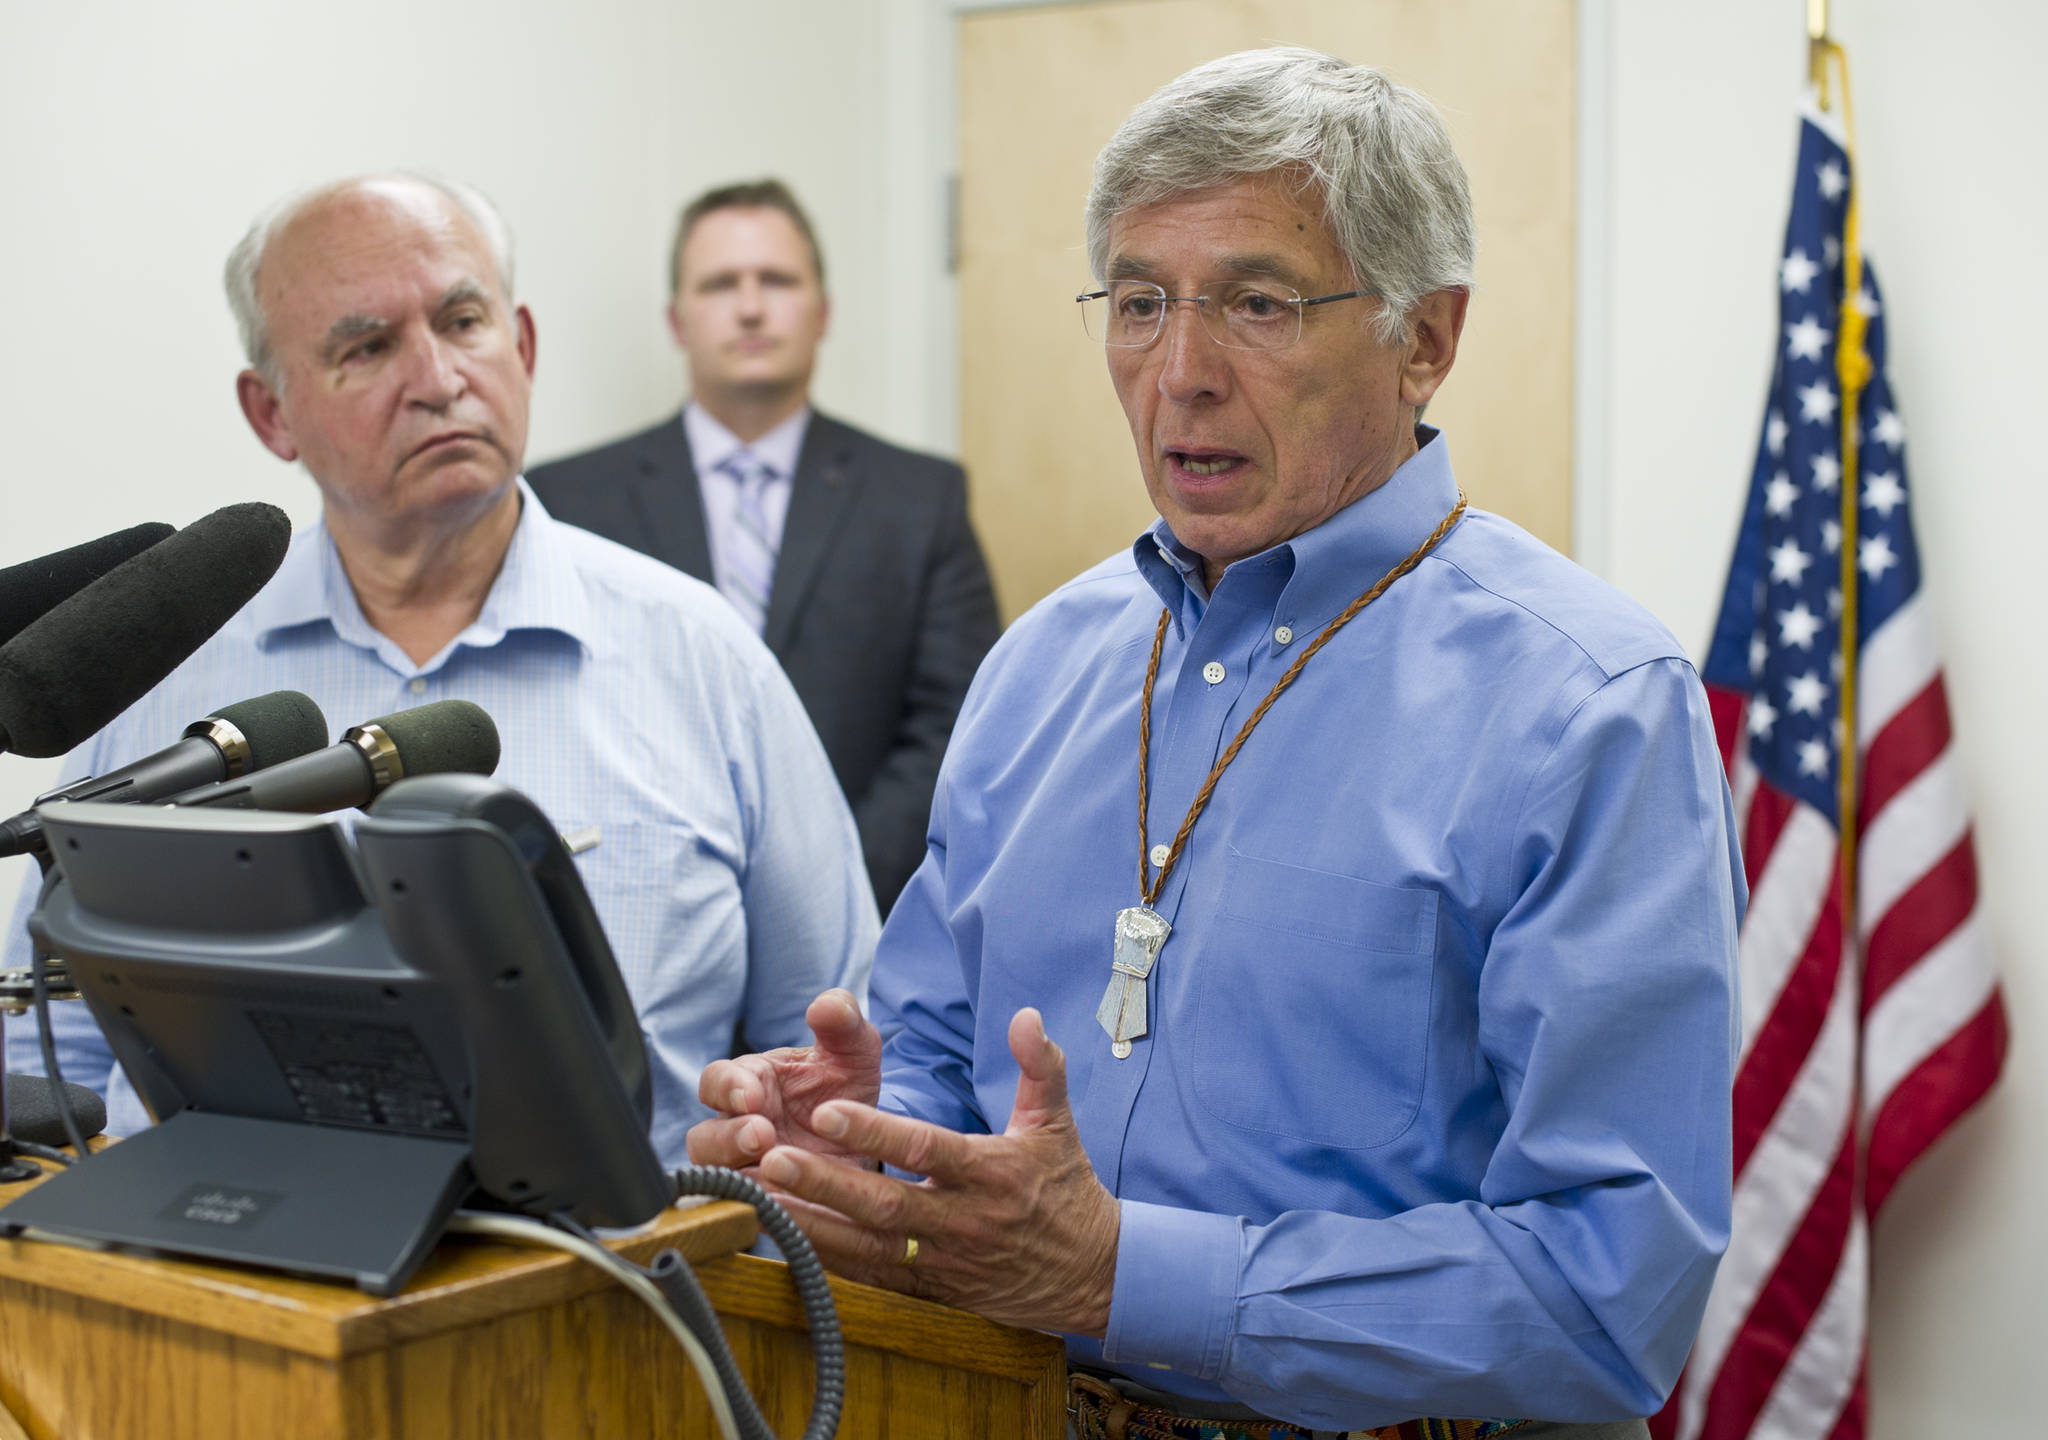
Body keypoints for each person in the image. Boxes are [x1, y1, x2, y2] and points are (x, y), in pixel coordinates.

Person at [686, 48, 1743, 1438]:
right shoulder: (1042, 665)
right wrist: (872, 1137)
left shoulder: (1593, 704)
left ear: (1425, 337)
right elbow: (937, 1047)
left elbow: (1614, 1299)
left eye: (1258, 303)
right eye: (1138, 305)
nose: (1178, 375)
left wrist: (1129, 1275)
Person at [1, 173, 879, 1169]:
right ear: (271, 415)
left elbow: (832, 1048)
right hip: (220, 1288)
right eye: (367, 345)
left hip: (611, 1297)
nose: (438, 377)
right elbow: (48, 1050)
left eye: (464, 320)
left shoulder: (702, 656)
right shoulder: (167, 672)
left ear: (525, 348)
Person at [528, 180, 1000, 912]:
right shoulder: (568, 503)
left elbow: (958, 724)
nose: (750, 306)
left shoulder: (919, 499)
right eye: (720, 284)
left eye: (776, 280)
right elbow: (554, 720)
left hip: (864, 921)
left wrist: (827, 886)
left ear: (823, 312)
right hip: (636, 915)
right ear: (677, 320)